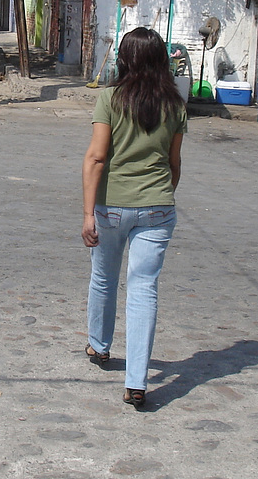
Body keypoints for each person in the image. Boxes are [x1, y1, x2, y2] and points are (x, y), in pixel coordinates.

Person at [81, 27, 187, 408]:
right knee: (144, 290)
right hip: (158, 208)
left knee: (103, 277)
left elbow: (96, 157)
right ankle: (137, 381)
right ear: (161, 61)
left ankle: (99, 346)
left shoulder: (110, 98)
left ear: (124, 59)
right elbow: (174, 165)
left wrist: (87, 213)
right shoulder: (175, 105)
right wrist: (160, 198)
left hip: (111, 205)